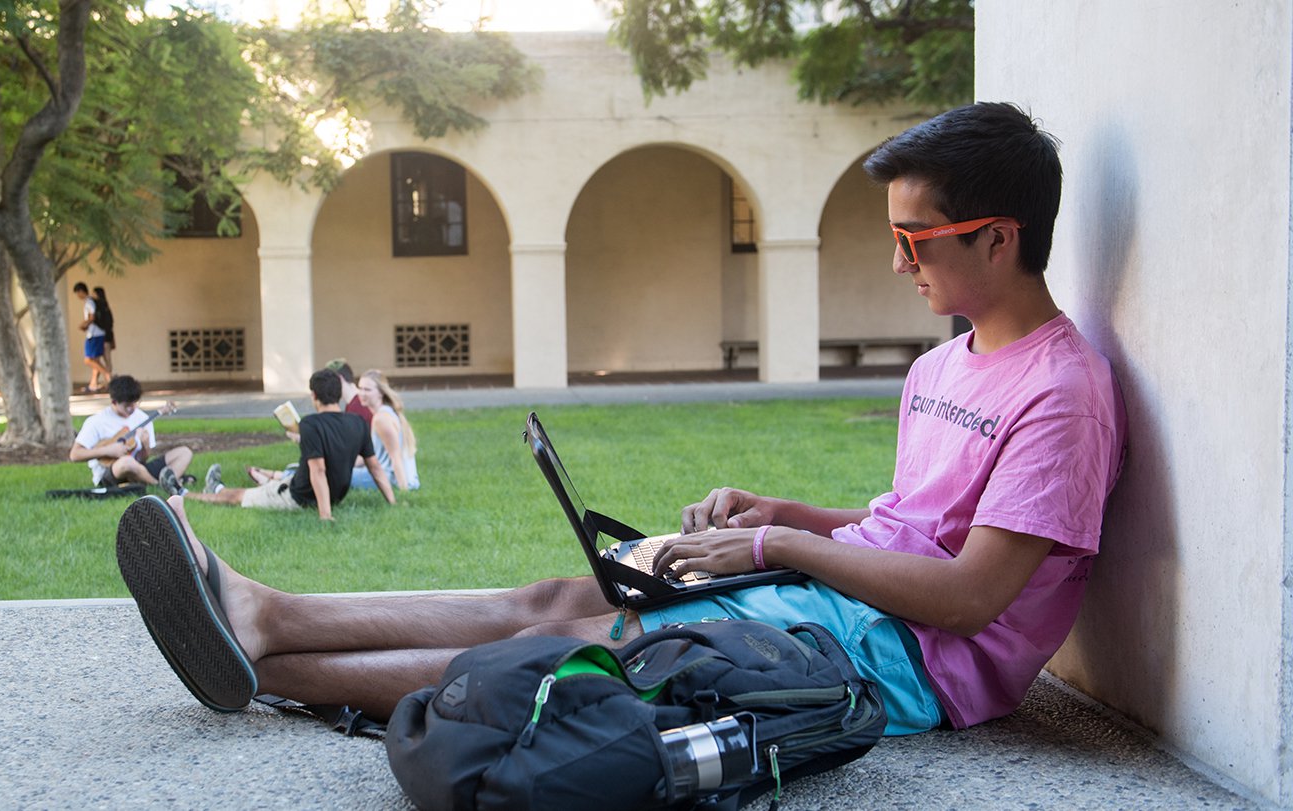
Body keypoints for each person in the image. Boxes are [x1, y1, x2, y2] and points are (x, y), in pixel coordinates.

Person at [115, 102, 1126, 734]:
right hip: (850, 604)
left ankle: (267, 652)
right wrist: (781, 516)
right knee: (562, 592)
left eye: (917, 242)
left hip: (906, 664)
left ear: (997, 238)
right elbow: (910, 525)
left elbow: (964, 600)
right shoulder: (946, 361)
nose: (897, 264)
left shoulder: (1061, 393)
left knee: (595, 643)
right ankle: (271, 624)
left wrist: (774, 545)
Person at [192, 369, 396, 520]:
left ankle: (184, 494)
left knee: (238, 497)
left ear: (314, 396)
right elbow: (375, 467)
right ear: (337, 394)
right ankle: (217, 487)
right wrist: (392, 502)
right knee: (273, 484)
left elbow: (318, 470)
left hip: (300, 497)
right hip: (331, 494)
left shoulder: (310, 424)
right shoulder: (357, 422)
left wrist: (325, 516)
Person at [69, 374, 193, 496]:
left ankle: (165, 481)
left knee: (184, 452)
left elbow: (143, 459)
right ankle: (160, 486)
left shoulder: (143, 418)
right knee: (126, 462)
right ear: (114, 402)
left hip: (138, 469)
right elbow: (75, 455)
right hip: (112, 472)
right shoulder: (96, 421)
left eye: (135, 404)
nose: (132, 409)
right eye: (127, 406)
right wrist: (108, 450)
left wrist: (145, 446)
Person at [348, 369, 419, 492]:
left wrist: (404, 492)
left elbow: (395, 458)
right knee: (337, 470)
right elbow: (371, 455)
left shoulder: (381, 419)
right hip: (383, 475)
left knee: (334, 476)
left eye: (367, 390)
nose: (362, 393)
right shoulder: (384, 413)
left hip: (387, 479)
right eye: (360, 388)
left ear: (381, 392)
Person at [72, 282, 112, 393]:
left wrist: (83, 325)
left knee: (88, 360)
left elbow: (91, 317)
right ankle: (93, 384)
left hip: (94, 335)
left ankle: (107, 374)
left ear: (81, 291)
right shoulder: (92, 302)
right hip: (97, 334)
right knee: (95, 360)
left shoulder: (89, 302)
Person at [93, 286, 115, 375]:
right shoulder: (106, 307)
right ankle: (105, 379)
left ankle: (107, 378)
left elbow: (100, 322)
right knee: (107, 360)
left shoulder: (99, 308)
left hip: (102, 336)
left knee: (96, 360)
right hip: (108, 336)